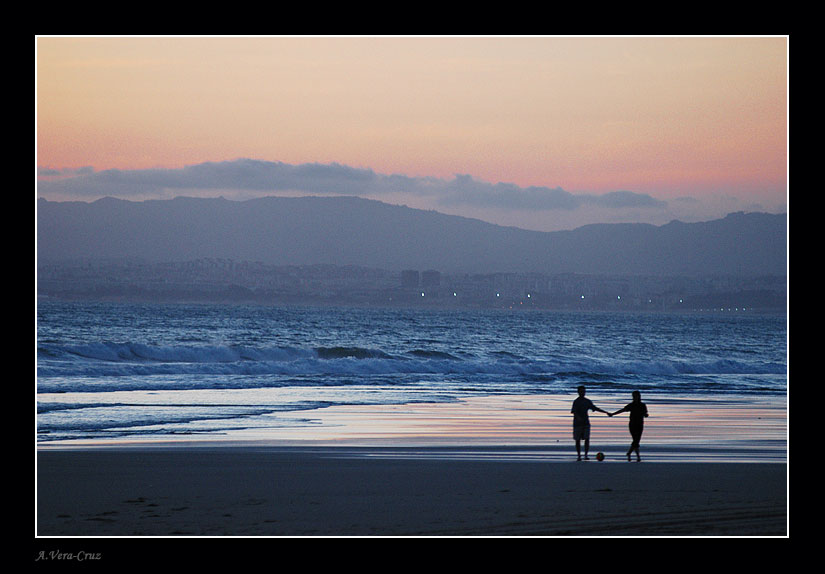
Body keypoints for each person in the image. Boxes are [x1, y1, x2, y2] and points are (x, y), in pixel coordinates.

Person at [570, 385, 611, 461]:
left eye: (584, 391)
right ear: (578, 392)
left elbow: (595, 408)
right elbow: (574, 412)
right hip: (577, 424)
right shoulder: (576, 402)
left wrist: (606, 412)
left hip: (586, 423)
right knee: (577, 440)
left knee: (587, 439)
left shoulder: (587, 401)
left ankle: (585, 455)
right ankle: (579, 456)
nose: (583, 393)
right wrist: (578, 418)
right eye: (581, 391)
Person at [611, 391, 649, 462]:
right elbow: (622, 410)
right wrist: (613, 414)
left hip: (640, 424)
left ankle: (629, 453)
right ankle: (637, 456)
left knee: (636, 440)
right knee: (636, 440)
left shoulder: (643, 405)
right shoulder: (631, 405)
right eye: (633, 396)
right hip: (632, 424)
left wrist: (646, 415)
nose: (634, 398)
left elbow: (645, 413)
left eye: (636, 396)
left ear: (639, 396)